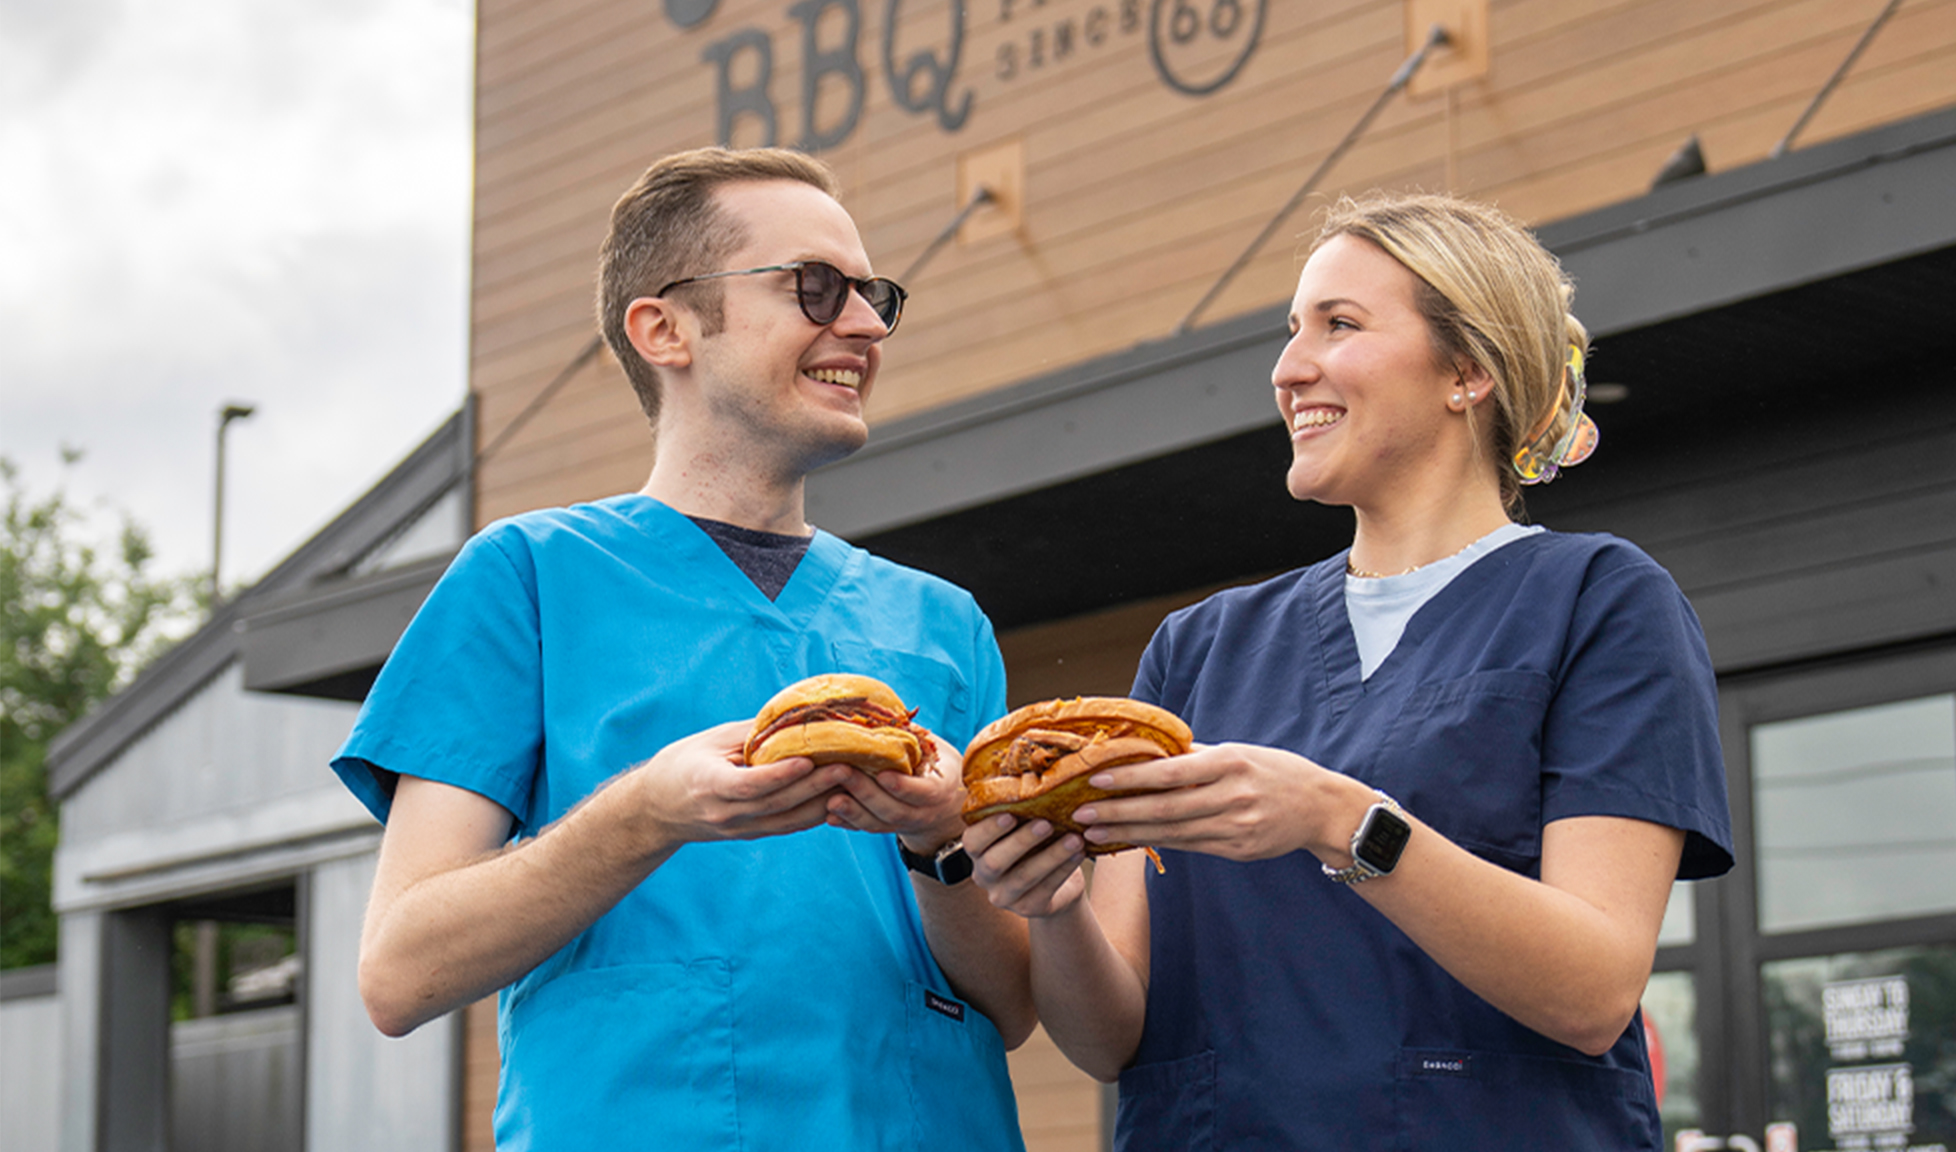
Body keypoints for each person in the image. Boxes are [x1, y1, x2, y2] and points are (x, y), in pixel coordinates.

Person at [967, 191, 1733, 1150]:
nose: (1290, 370)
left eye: (1340, 325)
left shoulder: (1600, 602)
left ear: (1467, 371)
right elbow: (1109, 1040)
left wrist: (1338, 822)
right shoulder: (1199, 650)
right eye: (1292, 332)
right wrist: (1058, 907)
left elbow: (1593, 992)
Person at [334, 148, 1033, 1151]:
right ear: (664, 328)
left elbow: (1010, 1004)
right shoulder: (528, 579)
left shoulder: (943, 625)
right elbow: (400, 973)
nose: (867, 326)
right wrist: (647, 814)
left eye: (874, 295)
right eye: (816, 288)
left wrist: (938, 847)